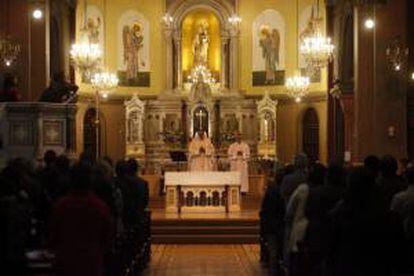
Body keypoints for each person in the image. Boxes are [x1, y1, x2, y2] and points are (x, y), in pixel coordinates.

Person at [49, 162, 113, 276]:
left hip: (65, 261)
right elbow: (106, 236)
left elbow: (53, 234)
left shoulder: (61, 205)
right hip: (91, 262)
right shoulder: (100, 206)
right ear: (91, 181)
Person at [304, 161, 346, 276]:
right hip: (341, 239)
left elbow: (308, 212)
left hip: (318, 236)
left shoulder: (316, 193)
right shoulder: (346, 193)